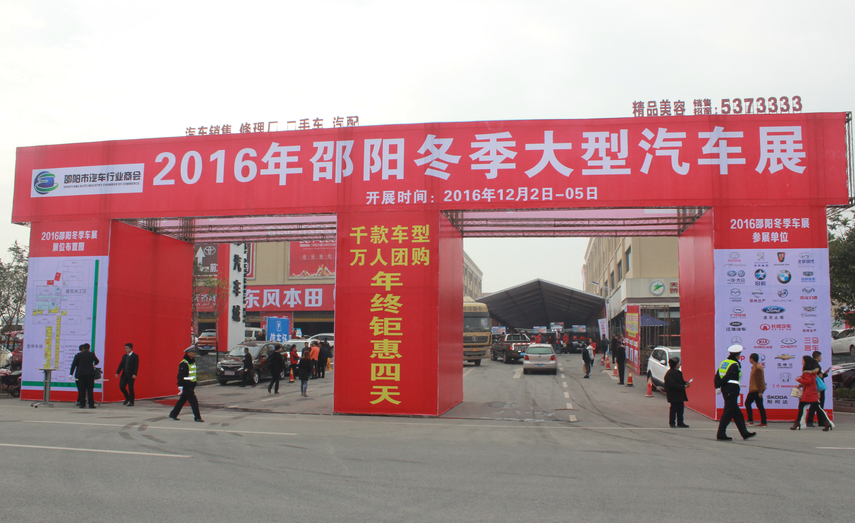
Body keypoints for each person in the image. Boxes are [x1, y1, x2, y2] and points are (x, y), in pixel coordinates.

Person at [715, 344, 755, 441]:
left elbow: (717, 375)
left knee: (737, 414)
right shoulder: (734, 364)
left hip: (727, 390)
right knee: (728, 413)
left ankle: (744, 433)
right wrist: (720, 384)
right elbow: (728, 376)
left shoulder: (724, 362)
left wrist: (718, 385)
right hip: (731, 390)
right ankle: (721, 434)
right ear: (737, 355)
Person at [792, 356, 833, 431]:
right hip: (812, 392)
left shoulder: (806, 372)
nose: (802, 362)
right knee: (817, 408)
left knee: (802, 407)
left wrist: (799, 379)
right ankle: (827, 423)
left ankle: (797, 423)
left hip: (808, 393)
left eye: (803, 360)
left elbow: (808, 381)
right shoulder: (812, 371)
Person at [169, 347, 203, 422]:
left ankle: (173, 414)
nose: (194, 353)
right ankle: (197, 417)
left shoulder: (192, 362)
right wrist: (180, 385)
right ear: (188, 353)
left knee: (182, 400)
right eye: (192, 352)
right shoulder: (184, 363)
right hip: (187, 385)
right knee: (193, 401)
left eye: (194, 352)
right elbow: (181, 375)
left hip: (191, 385)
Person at [70, 343, 99, 409]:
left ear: (82, 348)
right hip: (90, 374)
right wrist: (93, 364)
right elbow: (97, 361)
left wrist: (71, 373)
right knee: (90, 390)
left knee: (82, 389)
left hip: (81, 374)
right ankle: (91, 405)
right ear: (89, 348)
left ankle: (82, 404)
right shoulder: (91, 354)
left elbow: (74, 364)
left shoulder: (78, 355)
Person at [663, 358, 690, 428]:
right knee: (674, 409)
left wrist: (686, 383)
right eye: (678, 363)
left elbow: (681, 381)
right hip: (674, 395)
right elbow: (673, 385)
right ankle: (672, 422)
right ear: (675, 365)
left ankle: (680, 422)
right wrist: (683, 386)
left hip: (680, 394)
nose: (679, 364)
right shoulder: (670, 374)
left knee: (680, 409)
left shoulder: (678, 372)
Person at [806, 350, 829, 427]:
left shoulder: (813, 364)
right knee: (817, 404)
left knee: (817, 405)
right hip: (818, 388)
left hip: (816, 387)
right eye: (820, 357)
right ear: (818, 357)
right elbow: (819, 376)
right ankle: (813, 421)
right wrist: (824, 374)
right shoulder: (816, 365)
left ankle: (819, 421)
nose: (821, 358)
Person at [744, 353, 767, 427]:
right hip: (756, 389)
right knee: (760, 405)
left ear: (752, 359)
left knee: (747, 403)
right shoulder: (755, 367)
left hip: (755, 390)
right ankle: (764, 422)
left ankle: (750, 420)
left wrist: (760, 391)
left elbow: (759, 380)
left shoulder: (757, 368)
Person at [115, 342, 139, 406]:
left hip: (131, 375)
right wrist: (117, 372)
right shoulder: (124, 356)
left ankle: (131, 402)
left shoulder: (135, 356)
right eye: (125, 348)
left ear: (130, 349)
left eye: (126, 348)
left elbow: (136, 366)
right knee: (121, 386)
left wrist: (135, 374)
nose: (125, 349)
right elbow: (121, 365)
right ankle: (127, 397)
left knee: (130, 388)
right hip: (124, 374)